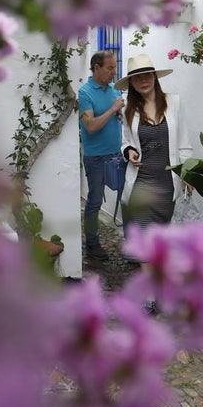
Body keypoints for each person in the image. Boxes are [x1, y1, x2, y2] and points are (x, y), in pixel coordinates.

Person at [116, 54, 192, 232]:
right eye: (137, 77)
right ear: (131, 83)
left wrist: (188, 174)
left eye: (147, 75)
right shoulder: (127, 107)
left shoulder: (174, 102)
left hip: (167, 184)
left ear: (155, 77)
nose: (143, 80)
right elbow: (126, 141)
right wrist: (129, 151)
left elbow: (184, 143)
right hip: (141, 184)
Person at [78, 50, 124, 261]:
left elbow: (117, 117)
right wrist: (112, 109)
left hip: (117, 155)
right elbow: (90, 126)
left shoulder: (115, 90)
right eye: (110, 68)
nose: (114, 72)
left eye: (114, 67)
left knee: (128, 196)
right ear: (96, 68)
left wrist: (119, 112)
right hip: (96, 158)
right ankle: (92, 244)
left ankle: (133, 242)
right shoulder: (85, 93)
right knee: (95, 202)